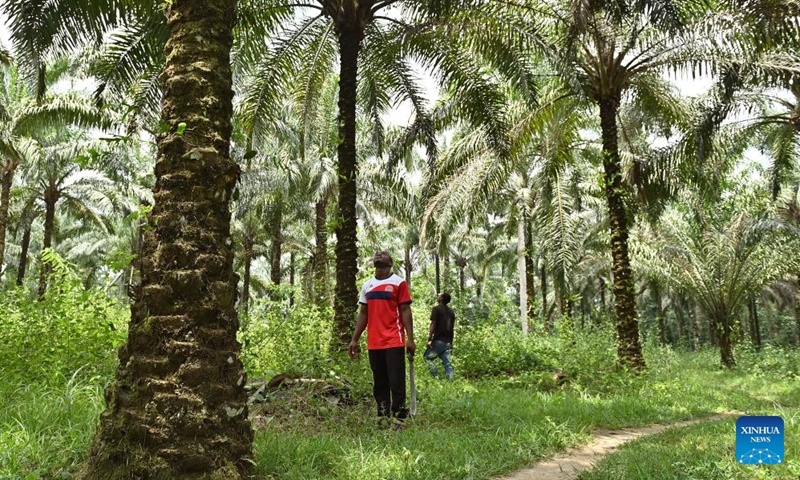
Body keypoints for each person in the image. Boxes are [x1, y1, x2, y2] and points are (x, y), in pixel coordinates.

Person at [349, 251, 415, 430]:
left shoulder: (399, 282)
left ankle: (400, 417)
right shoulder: (367, 286)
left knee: (396, 380)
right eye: (376, 254)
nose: (378, 254)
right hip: (374, 342)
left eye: (383, 254)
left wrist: (410, 338)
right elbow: (364, 314)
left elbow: (405, 311)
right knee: (379, 381)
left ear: (390, 262)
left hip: (394, 339)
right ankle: (382, 415)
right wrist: (355, 339)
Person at [424, 292, 455, 380]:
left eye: (439, 295)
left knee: (427, 358)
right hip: (447, 342)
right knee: (447, 364)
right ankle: (450, 382)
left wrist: (430, 338)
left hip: (438, 340)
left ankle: (437, 378)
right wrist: (451, 342)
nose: (438, 296)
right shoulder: (451, 312)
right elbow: (452, 328)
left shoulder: (436, 309)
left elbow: (433, 324)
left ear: (441, 298)